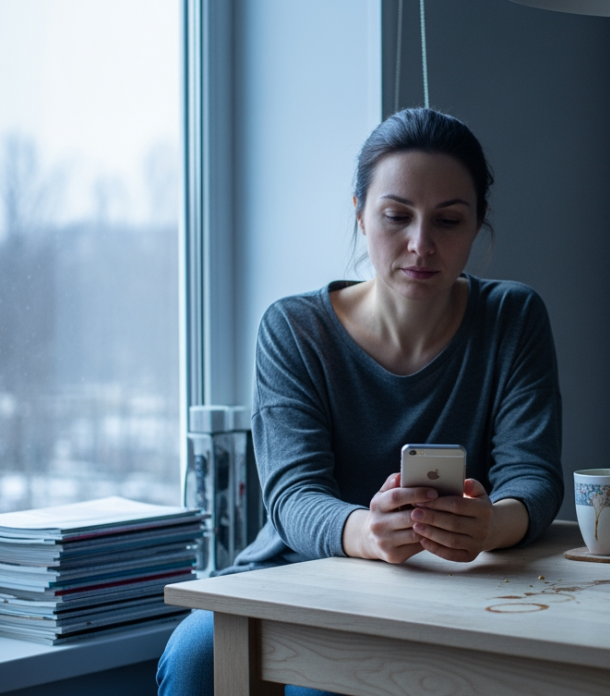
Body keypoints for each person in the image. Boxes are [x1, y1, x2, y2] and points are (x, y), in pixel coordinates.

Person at [156, 109, 564, 696]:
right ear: (359, 213)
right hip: (298, 570)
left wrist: (491, 524)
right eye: (396, 216)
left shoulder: (512, 317)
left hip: (452, 579)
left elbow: (533, 476)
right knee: (199, 659)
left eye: (449, 221)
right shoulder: (294, 329)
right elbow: (291, 498)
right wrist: (366, 533)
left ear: (478, 226)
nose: (420, 245)